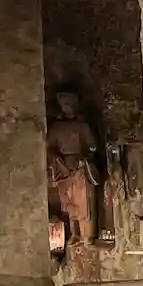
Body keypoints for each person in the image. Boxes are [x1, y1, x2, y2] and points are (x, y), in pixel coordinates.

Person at [46, 92, 100, 244]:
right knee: (69, 203)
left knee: (84, 202)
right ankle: (75, 233)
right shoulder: (56, 128)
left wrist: (86, 156)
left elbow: (93, 145)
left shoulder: (82, 126)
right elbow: (49, 148)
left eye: (71, 105)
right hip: (62, 167)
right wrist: (57, 158)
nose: (68, 108)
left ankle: (87, 233)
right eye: (65, 105)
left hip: (80, 166)